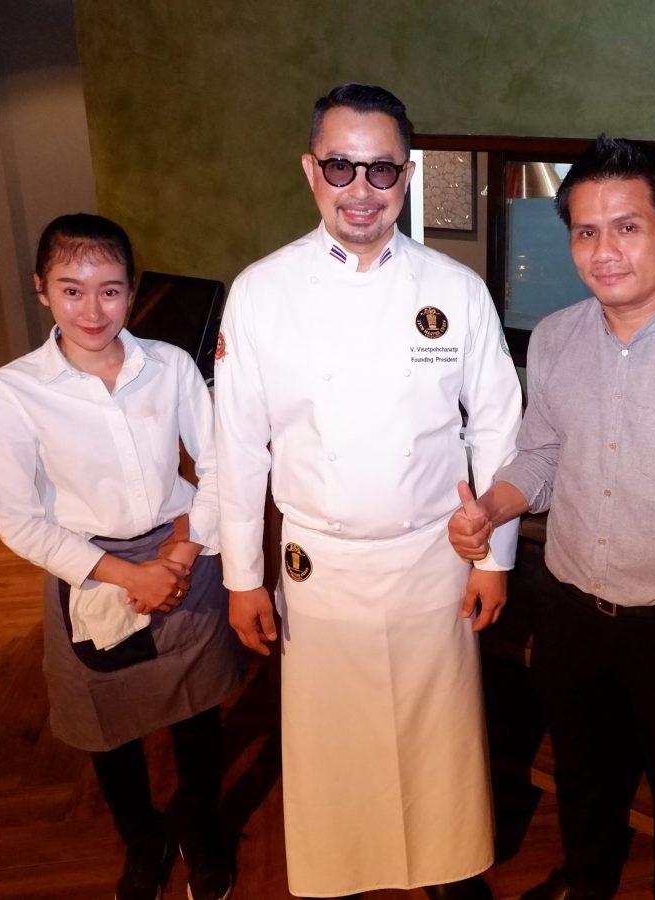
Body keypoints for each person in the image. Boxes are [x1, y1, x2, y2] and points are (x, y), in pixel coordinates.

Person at [447, 135, 655, 900]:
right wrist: (493, 507)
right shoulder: (556, 336)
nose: (604, 251)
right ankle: (586, 885)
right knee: (580, 782)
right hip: (568, 609)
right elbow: (541, 454)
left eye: (628, 227)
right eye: (586, 231)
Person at [212, 83, 522, 899]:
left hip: (432, 559)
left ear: (407, 176)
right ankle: (340, 877)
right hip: (320, 564)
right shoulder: (261, 292)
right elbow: (237, 446)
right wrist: (243, 577)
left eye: (381, 169)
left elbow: (498, 426)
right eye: (340, 166)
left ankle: (451, 874)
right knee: (334, 744)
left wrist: (493, 559)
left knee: (438, 738)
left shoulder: (453, 288)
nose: (361, 188)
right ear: (310, 170)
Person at [0, 214, 246, 900]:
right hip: (90, 571)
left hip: (184, 553)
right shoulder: (12, 390)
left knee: (196, 707)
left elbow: (220, 464)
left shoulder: (170, 365)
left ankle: (200, 824)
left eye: (110, 290)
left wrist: (180, 556)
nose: (92, 311)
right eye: (71, 290)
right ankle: (141, 837)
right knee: (107, 722)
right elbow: (19, 519)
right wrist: (132, 575)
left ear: (133, 289)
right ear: (41, 290)